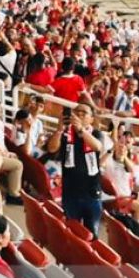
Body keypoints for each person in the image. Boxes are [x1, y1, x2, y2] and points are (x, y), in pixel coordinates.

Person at [46, 102, 105, 238]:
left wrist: (81, 130)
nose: (79, 115)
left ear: (91, 119)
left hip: (91, 192)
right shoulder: (66, 133)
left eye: (84, 113)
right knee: (72, 232)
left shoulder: (96, 133)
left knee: (92, 235)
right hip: (70, 192)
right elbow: (52, 148)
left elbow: (97, 146)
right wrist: (59, 129)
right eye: (77, 112)